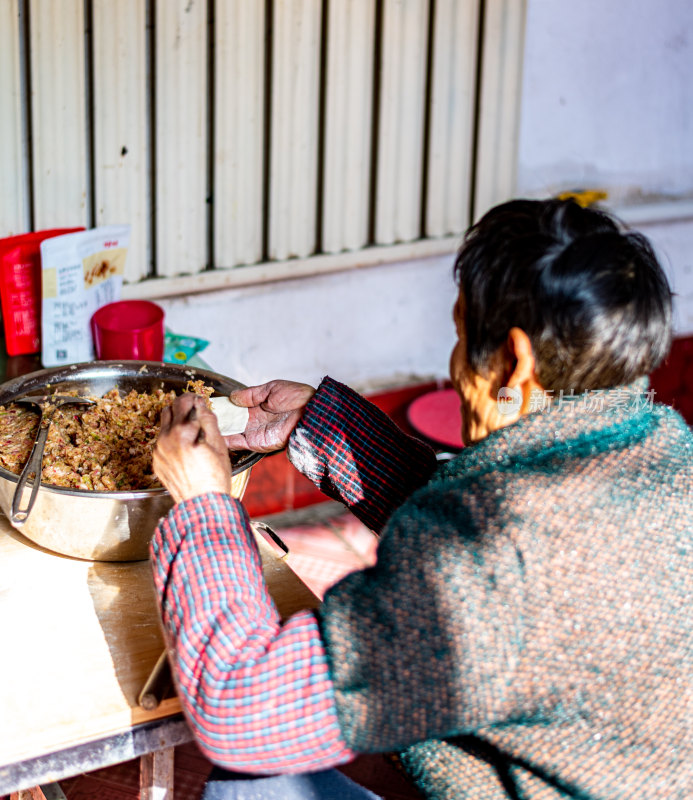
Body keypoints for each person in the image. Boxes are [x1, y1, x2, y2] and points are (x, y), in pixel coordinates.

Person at [151, 198, 692, 800]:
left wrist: (203, 503)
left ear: (514, 363)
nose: (456, 363)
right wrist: (324, 425)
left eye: (461, 338)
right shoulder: (667, 453)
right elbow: (471, 511)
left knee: (249, 782)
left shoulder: (502, 570)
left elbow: (240, 708)